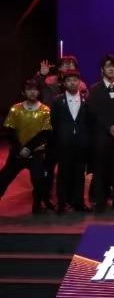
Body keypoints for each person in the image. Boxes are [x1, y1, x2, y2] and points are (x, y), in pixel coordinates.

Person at [0, 80, 53, 214]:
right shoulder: (15, 109)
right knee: (3, 178)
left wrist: (28, 148)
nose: (32, 92)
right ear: (23, 92)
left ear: (39, 92)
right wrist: (20, 148)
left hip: (36, 152)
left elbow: (45, 132)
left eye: (35, 89)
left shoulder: (45, 110)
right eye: (29, 89)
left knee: (39, 181)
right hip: (18, 152)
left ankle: (38, 206)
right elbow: (9, 130)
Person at [87, 54, 114, 212]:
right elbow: (93, 112)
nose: (111, 69)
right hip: (101, 136)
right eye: (108, 66)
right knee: (100, 170)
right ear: (102, 70)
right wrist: (109, 127)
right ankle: (100, 201)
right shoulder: (94, 89)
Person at [50, 72, 91, 212]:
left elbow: (89, 122)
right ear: (64, 83)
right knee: (63, 172)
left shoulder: (86, 100)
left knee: (80, 173)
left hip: (81, 142)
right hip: (63, 142)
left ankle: (79, 202)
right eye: (69, 80)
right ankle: (61, 202)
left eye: (75, 80)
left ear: (79, 82)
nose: (72, 83)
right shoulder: (57, 100)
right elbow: (53, 122)